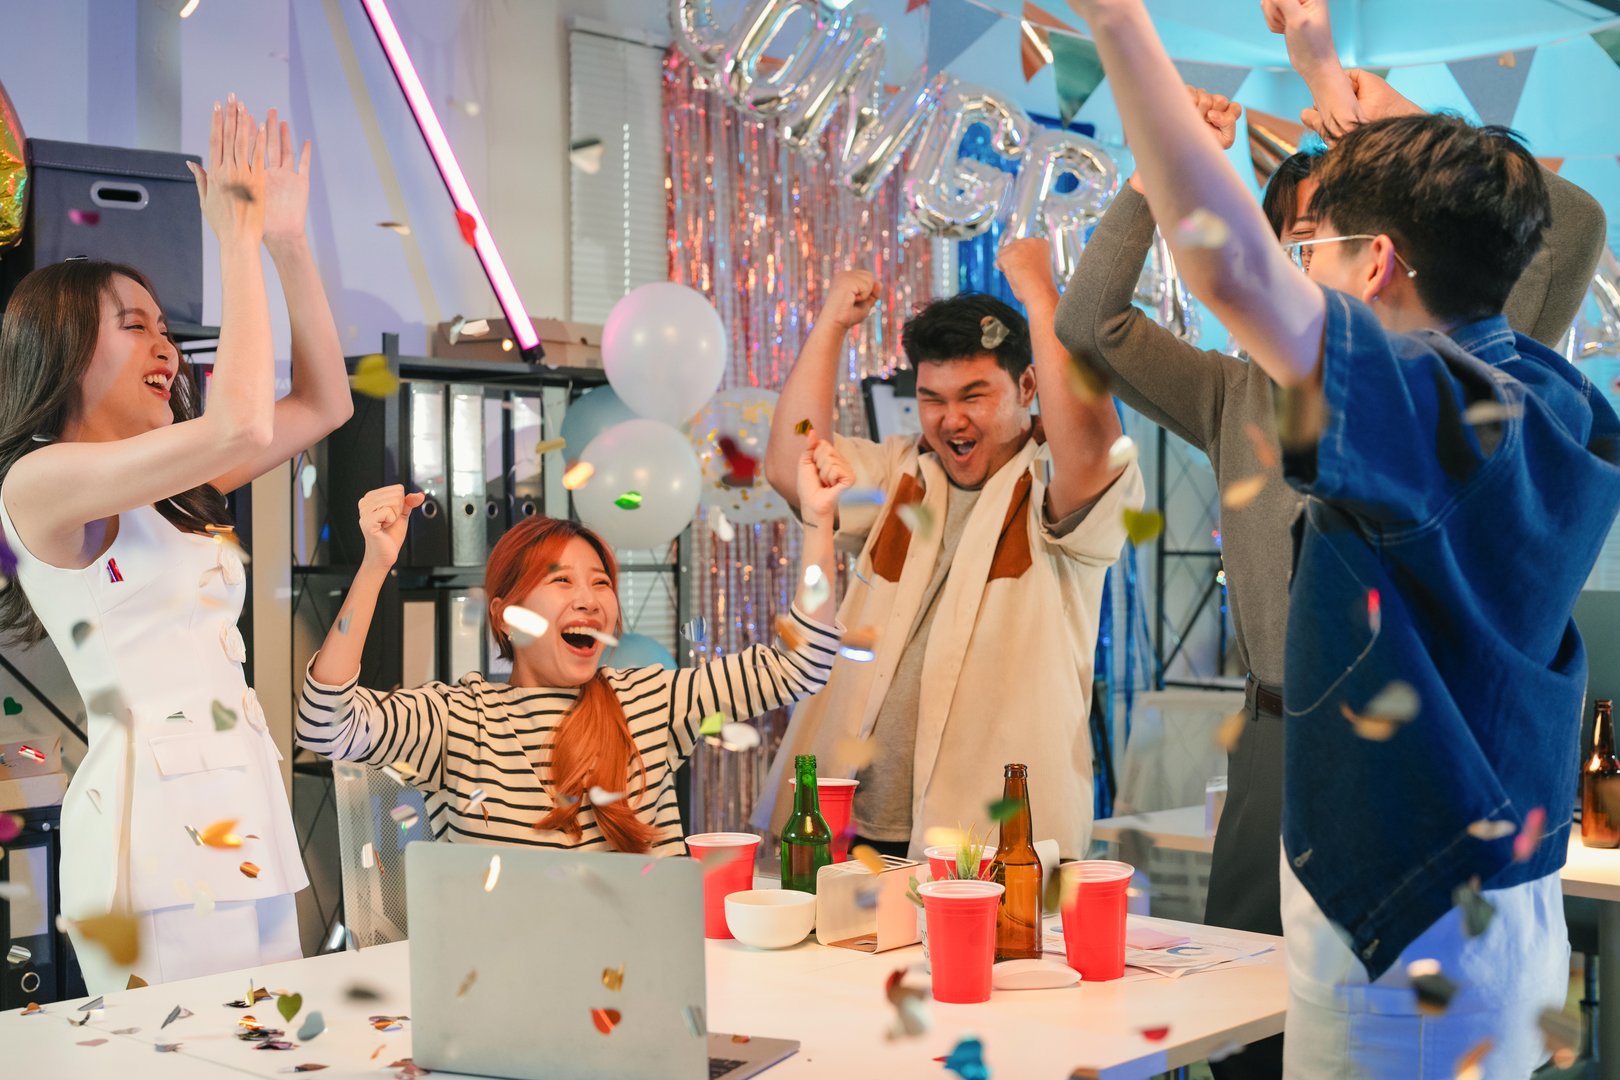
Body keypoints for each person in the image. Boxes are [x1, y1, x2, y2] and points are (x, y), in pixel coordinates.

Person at [1068, 0, 1620, 1074]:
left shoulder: (1421, 405)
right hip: (1500, 908)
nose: (1295, 268)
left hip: (1408, 930)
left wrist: (1119, 25)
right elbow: (1523, 227)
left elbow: (1225, 266)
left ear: (1375, 268)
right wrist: (1331, 77)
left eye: (1311, 248)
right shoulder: (1548, 398)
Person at [0, 98, 350, 992]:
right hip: (151, 840)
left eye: (165, 327)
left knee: (274, 1049)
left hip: (243, 809)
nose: (167, 348)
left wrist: (285, 243)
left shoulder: (169, 489)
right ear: (61, 347)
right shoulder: (37, 482)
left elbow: (324, 404)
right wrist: (229, 241)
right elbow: (237, 424)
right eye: (136, 326)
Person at [756, 237, 1145, 861]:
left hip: (985, 843)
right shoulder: (902, 471)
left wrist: (1040, 294)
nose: (950, 420)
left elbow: (1095, 451)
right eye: (933, 400)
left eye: (973, 396)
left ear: (1027, 386)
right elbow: (790, 464)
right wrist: (831, 324)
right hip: (852, 827)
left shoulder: (1052, 481)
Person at [295, 439, 847, 853]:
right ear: (505, 617)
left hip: (642, 986)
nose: (589, 599)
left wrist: (819, 521)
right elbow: (324, 724)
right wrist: (375, 567)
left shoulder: (653, 703)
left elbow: (804, 663)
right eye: (561, 581)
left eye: (601, 583)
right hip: (503, 991)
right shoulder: (459, 718)